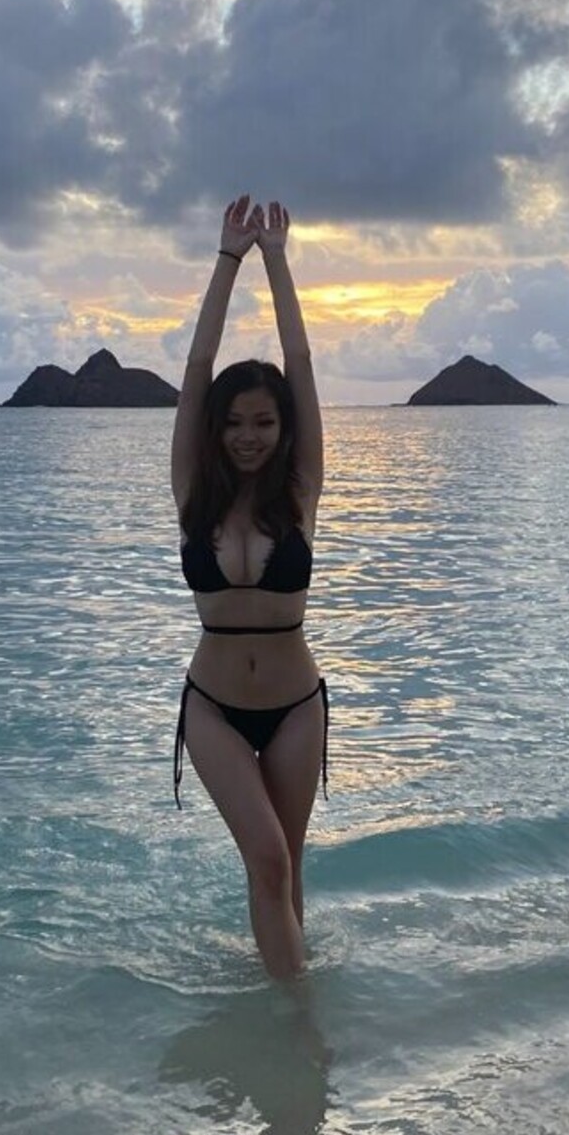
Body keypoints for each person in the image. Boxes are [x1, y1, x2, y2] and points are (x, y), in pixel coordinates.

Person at [172, 196, 327, 981]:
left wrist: (278, 260)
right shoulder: (192, 491)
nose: (248, 435)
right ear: (216, 427)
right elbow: (197, 372)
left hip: (297, 704)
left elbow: (300, 363)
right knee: (266, 855)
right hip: (213, 707)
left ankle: (280, 1005)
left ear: (282, 426)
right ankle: (300, 1026)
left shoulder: (300, 492)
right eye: (234, 422)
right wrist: (229, 259)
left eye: (264, 422)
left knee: (283, 867)